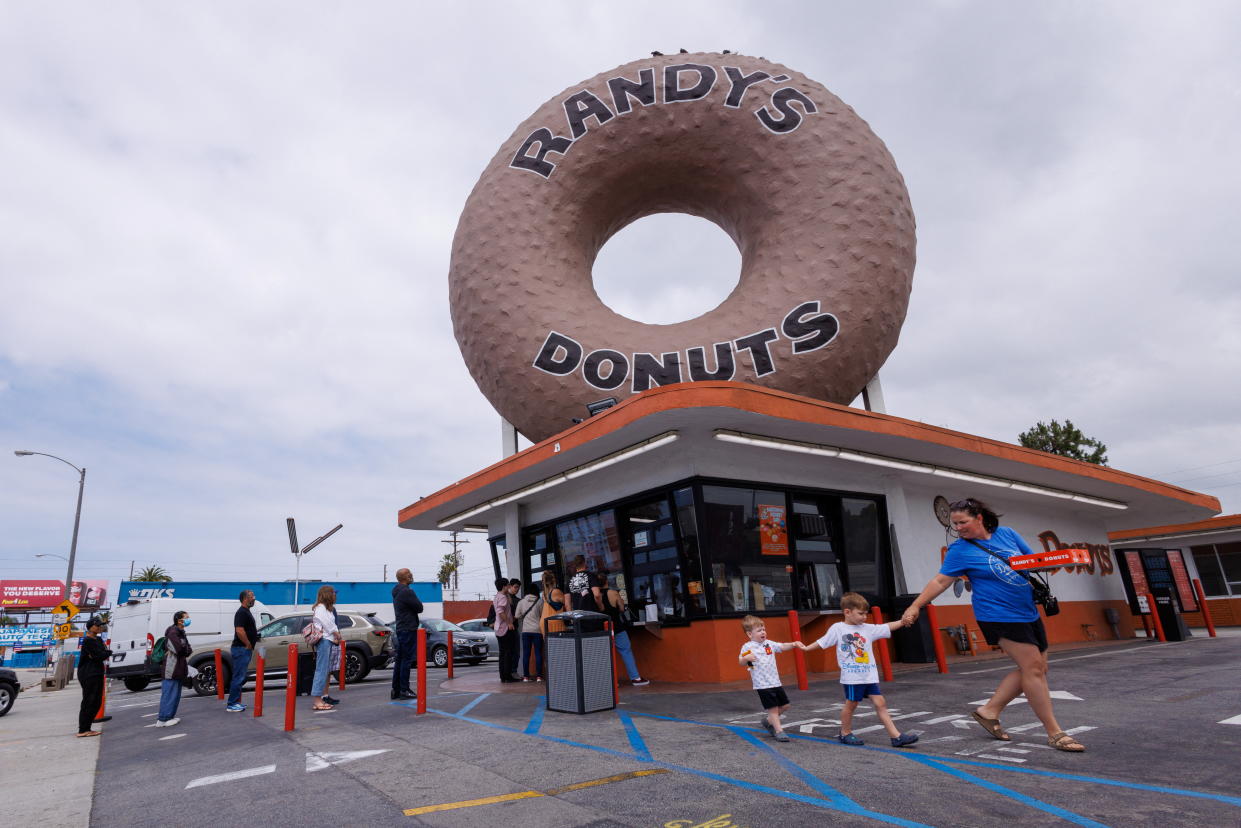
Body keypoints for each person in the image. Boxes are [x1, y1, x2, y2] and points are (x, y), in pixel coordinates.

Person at [902, 497, 1085, 752]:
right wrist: (916, 605)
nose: (959, 528)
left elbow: (1033, 562)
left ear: (979, 517)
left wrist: (1061, 560)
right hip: (996, 614)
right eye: (955, 524)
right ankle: (1054, 732)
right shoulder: (960, 550)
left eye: (963, 522)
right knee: (1032, 668)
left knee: (1038, 668)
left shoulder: (1007, 534)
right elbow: (941, 581)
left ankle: (989, 711)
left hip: (1027, 610)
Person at [801, 592, 917, 747]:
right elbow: (823, 641)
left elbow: (886, 627)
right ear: (847, 612)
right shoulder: (838, 628)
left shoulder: (867, 628)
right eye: (860, 613)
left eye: (866, 614)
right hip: (852, 676)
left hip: (869, 675)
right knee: (852, 704)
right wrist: (806, 648)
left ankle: (896, 737)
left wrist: (902, 621)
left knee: (880, 703)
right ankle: (845, 733)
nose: (864, 617)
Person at [738, 615, 797, 742]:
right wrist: (745, 659)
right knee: (773, 709)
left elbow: (782, 646)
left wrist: (793, 644)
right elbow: (741, 662)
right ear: (750, 634)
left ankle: (768, 721)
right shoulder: (748, 647)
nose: (763, 632)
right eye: (759, 630)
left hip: (775, 681)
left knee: (785, 705)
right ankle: (779, 731)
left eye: (763, 629)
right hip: (762, 684)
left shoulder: (769, 644)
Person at [595, 572, 649, 686]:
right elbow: (621, 607)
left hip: (602, 628)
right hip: (617, 627)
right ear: (606, 581)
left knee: (605, 655)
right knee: (626, 651)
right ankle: (636, 678)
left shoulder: (595, 596)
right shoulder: (613, 593)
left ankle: (612, 681)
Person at [226, 589, 261, 713]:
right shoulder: (241, 612)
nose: (254, 598)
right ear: (245, 598)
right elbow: (239, 630)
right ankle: (232, 704)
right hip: (241, 649)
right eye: (252, 596)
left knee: (240, 676)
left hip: (243, 649)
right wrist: (247, 644)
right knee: (239, 677)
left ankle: (235, 701)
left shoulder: (246, 612)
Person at [156, 610, 193, 727]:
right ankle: (163, 719)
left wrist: (185, 649)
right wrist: (185, 649)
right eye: (186, 617)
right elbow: (180, 649)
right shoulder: (172, 632)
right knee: (169, 693)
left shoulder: (181, 632)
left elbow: (188, 649)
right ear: (179, 620)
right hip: (171, 668)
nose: (188, 619)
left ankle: (169, 716)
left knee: (175, 693)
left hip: (179, 667)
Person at [390, 568, 422, 700]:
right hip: (408, 629)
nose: (412, 576)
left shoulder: (396, 591)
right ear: (404, 577)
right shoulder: (407, 592)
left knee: (400, 660)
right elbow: (419, 608)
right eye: (409, 574)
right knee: (406, 660)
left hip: (401, 628)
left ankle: (396, 690)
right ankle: (404, 689)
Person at [77, 616, 111, 737]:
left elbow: (104, 653)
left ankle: (87, 727)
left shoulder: (98, 640)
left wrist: (104, 653)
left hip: (97, 672)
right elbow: (99, 656)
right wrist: (103, 654)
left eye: (100, 625)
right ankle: (83, 729)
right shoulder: (87, 641)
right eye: (98, 625)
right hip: (88, 673)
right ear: (91, 627)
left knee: (96, 701)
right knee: (89, 701)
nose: (100, 627)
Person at [309, 585, 341, 711]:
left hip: (328, 641)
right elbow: (327, 624)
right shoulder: (320, 608)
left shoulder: (326, 608)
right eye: (333, 593)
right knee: (321, 670)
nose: (335, 595)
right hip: (324, 641)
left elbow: (330, 623)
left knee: (324, 669)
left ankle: (319, 699)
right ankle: (317, 700)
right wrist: (336, 633)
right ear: (328, 594)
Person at [513, 585, 544, 681]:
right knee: (538, 653)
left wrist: (524, 615)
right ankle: (539, 676)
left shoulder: (521, 602)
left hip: (526, 631)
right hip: (537, 630)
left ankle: (526, 677)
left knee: (526, 654)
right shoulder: (539, 601)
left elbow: (517, 615)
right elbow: (542, 615)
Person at [493, 577, 519, 683]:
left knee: (502, 653)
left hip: (498, 628)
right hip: (505, 628)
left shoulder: (497, 596)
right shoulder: (503, 597)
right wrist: (509, 623)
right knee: (508, 652)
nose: (509, 586)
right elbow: (500, 611)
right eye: (508, 585)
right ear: (504, 586)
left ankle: (503, 676)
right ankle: (507, 676)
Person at [538, 570, 568, 636]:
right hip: (554, 622)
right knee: (560, 644)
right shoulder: (556, 592)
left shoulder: (544, 594)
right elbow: (567, 604)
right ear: (553, 580)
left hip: (544, 622)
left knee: (550, 645)